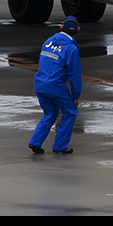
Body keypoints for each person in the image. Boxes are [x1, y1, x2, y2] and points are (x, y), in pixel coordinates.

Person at [28, 16, 82, 156]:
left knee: (50, 113)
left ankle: (35, 142)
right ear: (77, 31)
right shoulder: (71, 49)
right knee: (70, 112)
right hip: (55, 86)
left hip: (40, 84)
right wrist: (76, 96)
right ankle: (60, 146)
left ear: (61, 27)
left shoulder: (48, 41)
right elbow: (74, 75)